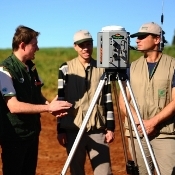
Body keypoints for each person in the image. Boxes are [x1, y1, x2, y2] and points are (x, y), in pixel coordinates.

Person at [0, 25, 72, 175]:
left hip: (32, 134)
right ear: (22, 45)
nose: (37, 48)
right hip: (15, 137)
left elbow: (37, 96)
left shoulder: (31, 68)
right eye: (34, 44)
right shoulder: (4, 70)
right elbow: (13, 106)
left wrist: (51, 105)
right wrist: (48, 108)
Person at [119, 22, 175, 175]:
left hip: (165, 133)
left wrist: (153, 123)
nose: (137, 40)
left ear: (157, 39)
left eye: (142, 37)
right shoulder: (131, 68)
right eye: (137, 37)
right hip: (137, 133)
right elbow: (123, 100)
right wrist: (139, 122)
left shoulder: (173, 66)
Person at [57, 30, 115, 175]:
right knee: (76, 171)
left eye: (88, 44)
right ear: (75, 47)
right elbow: (60, 100)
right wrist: (60, 129)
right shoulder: (65, 68)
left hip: (97, 128)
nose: (86, 48)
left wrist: (110, 127)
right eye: (81, 45)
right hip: (73, 129)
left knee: (104, 172)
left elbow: (108, 98)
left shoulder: (102, 68)